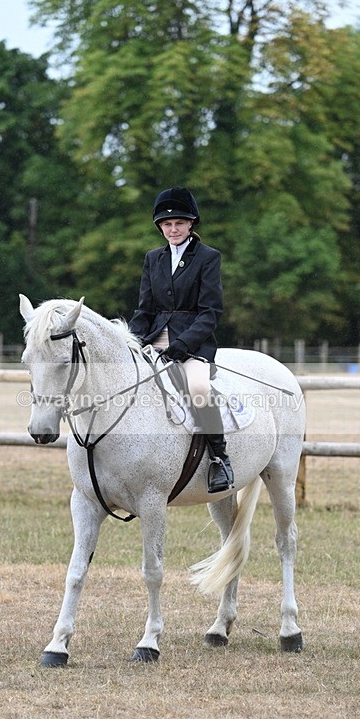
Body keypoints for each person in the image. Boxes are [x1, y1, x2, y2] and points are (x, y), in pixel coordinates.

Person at [128, 186, 234, 493]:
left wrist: (183, 344)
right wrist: (131, 340)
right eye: (167, 224)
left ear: (190, 225)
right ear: (160, 227)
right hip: (155, 338)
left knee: (198, 387)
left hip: (194, 342)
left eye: (179, 223)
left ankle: (219, 459)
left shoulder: (207, 257)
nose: (173, 229)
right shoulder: (152, 258)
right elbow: (145, 309)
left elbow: (211, 311)